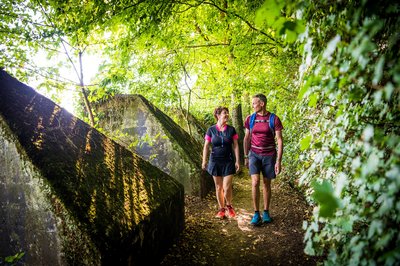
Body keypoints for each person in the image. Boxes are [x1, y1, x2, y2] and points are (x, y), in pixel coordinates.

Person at [243, 93, 283, 226]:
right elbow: (247, 138)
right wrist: (246, 156)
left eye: (254, 103)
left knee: (266, 183)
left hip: (269, 155)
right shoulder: (250, 119)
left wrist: (278, 161)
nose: (253, 105)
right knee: (255, 182)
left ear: (262, 104)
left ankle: (266, 212)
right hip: (254, 154)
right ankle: (256, 213)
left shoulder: (274, 119)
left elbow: (279, 140)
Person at [202, 106, 240, 219]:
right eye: (224, 113)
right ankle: (221, 209)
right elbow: (206, 146)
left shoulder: (231, 129)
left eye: (227, 113)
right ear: (218, 115)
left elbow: (236, 146)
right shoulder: (211, 130)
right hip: (215, 162)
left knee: (227, 187)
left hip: (228, 161)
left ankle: (229, 206)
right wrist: (204, 160)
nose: (227, 115)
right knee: (218, 187)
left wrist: (237, 161)